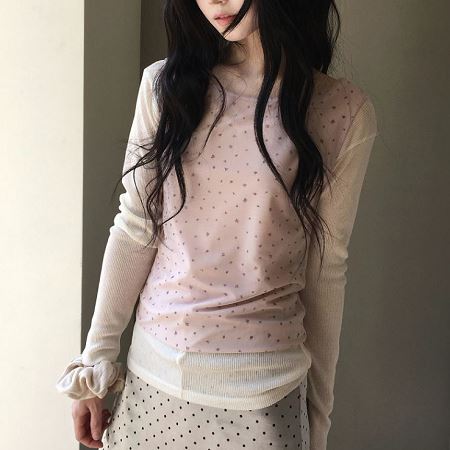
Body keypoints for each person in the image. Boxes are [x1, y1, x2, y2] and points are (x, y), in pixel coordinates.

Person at [55, 1, 379, 449]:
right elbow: (136, 227)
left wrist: (317, 422)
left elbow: (326, 269)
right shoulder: (165, 86)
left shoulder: (341, 110)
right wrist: (96, 363)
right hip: (151, 384)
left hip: (265, 400)